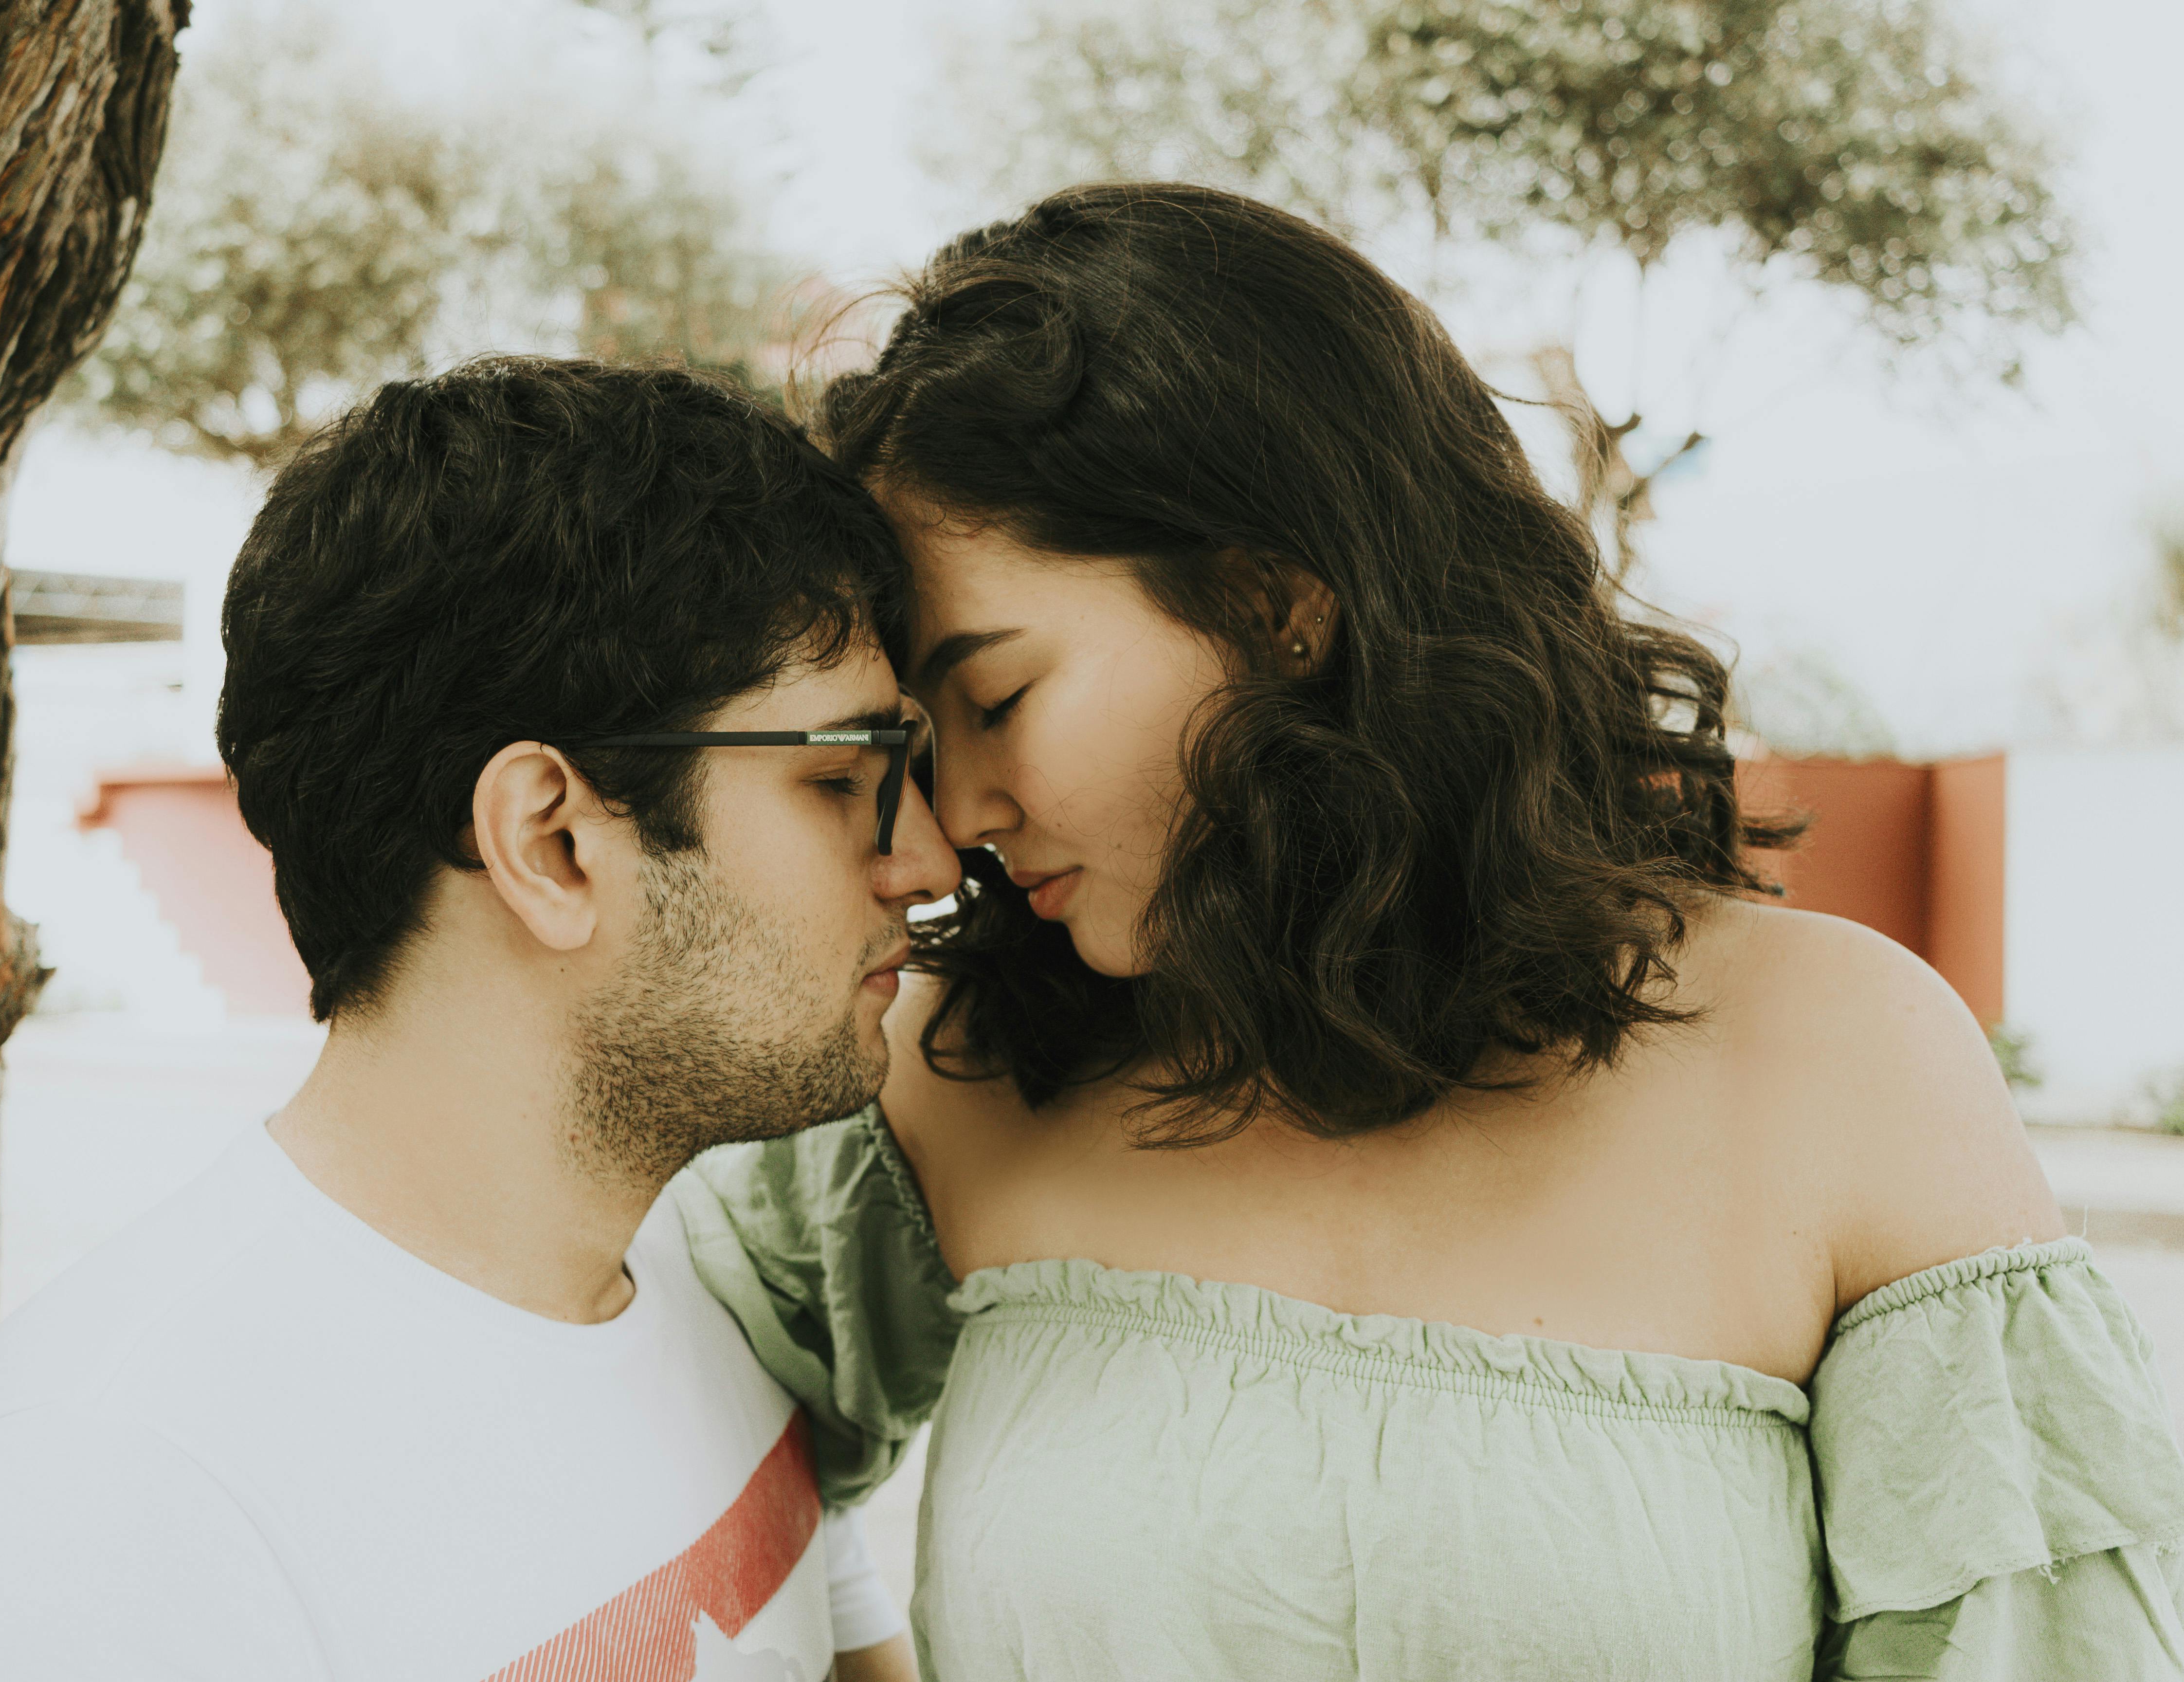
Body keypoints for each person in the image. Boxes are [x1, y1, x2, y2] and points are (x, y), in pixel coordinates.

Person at [677, 183, 2184, 1680]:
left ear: (1280, 606)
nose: (949, 816)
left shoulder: (1842, 1062)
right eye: (917, 738)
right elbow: (637, 1446)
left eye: (995, 700)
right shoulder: (965, 1068)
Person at [0, 358, 952, 1682]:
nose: (924, 856)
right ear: (554, 843)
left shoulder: (693, 1298)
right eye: (847, 778)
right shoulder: (63, 1548)